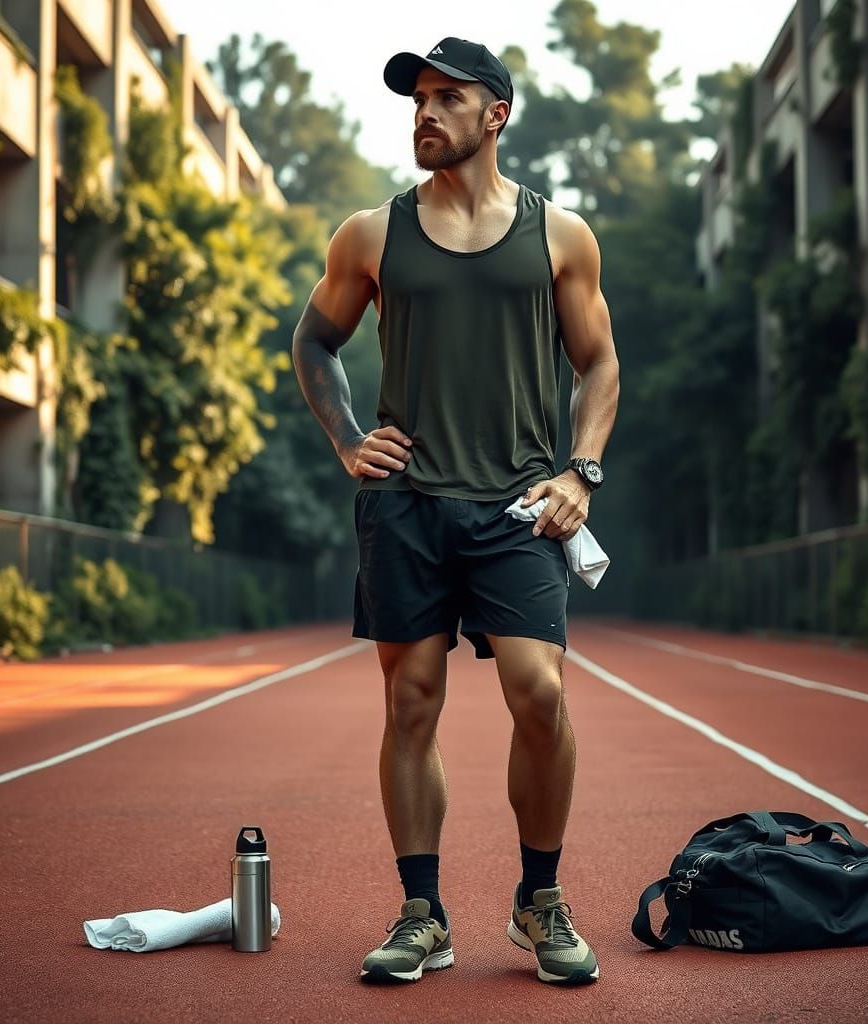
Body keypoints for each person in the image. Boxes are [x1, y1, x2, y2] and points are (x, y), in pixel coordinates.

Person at [291, 36, 619, 986]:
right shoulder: (369, 233)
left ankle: (539, 901)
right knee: (410, 702)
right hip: (407, 505)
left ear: (495, 116)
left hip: (519, 504)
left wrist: (582, 471)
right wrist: (350, 441)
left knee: (542, 694)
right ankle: (422, 913)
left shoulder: (562, 235)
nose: (424, 114)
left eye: (446, 98)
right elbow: (315, 340)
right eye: (417, 99)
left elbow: (598, 363)